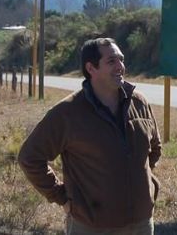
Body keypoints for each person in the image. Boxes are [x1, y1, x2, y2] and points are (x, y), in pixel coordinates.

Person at [18, 37, 161, 235]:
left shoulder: (139, 102)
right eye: (111, 61)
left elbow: (155, 148)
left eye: (121, 59)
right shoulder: (67, 112)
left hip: (141, 224)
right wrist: (60, 197)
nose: (120, 66)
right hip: (91, 226)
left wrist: (140, 182)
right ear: (91, 68)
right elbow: (30, 157)